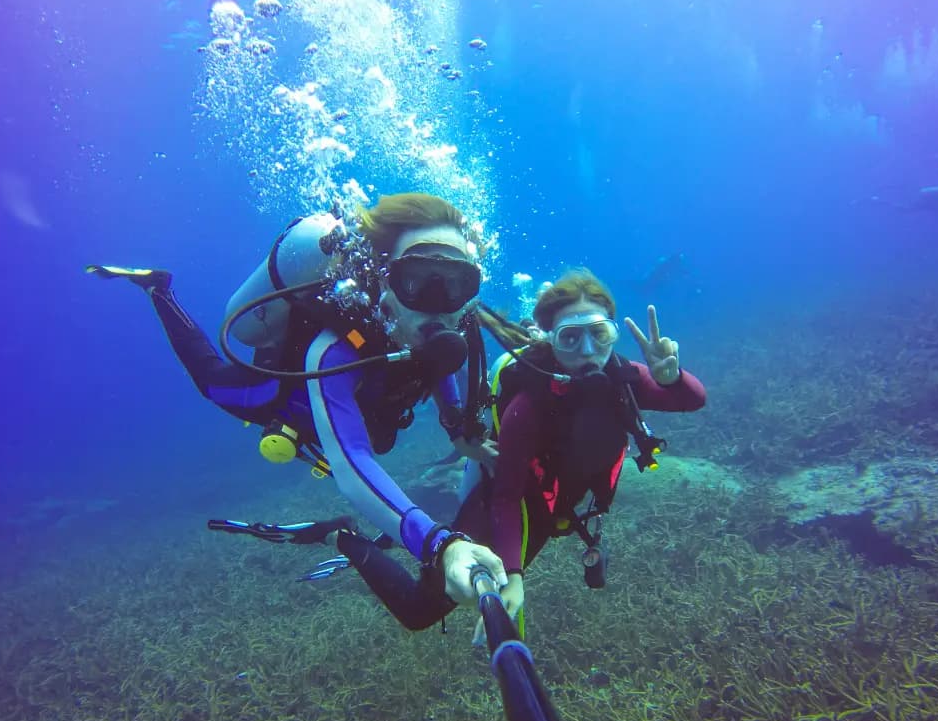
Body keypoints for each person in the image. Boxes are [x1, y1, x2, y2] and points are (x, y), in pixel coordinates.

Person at [88, 192, 505, 604]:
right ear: (383, 277)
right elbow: (352, 461)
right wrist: (438, 544)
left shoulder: (454, 325)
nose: (438, 303)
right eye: (416, 279)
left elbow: (436, 366)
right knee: (212, 382)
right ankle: (160, 291)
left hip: (372, 403)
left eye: (456, 283)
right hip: (284, 394)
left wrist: (457, 430)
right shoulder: (333, 351)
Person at [292, 268, 706, 638]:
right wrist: (512, 574)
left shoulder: (625, 380)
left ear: (611, 334)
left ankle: (408, 526)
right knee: (420, 610)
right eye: (569, 337)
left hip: (553, 508)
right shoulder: (528, 407)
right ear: (550, 339)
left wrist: (670, 377)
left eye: (598, 334)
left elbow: (693, 399)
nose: (586, 352)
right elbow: (507, 497)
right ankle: (345, 536)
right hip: (505, 508)